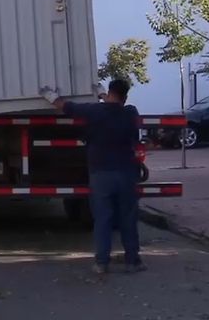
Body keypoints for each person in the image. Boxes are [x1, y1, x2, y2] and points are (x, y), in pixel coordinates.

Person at [41, 78, 145, 275]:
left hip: (101, 174)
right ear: (126, 95)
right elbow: (115, 106)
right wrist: (103, 95)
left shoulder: (93, 111)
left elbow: (66, 107)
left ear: (111, 92)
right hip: (126, 174)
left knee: (103, 219)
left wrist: (50, 96)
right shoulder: (131, 113)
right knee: (128, 218)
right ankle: (133, 261)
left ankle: (101, 263)